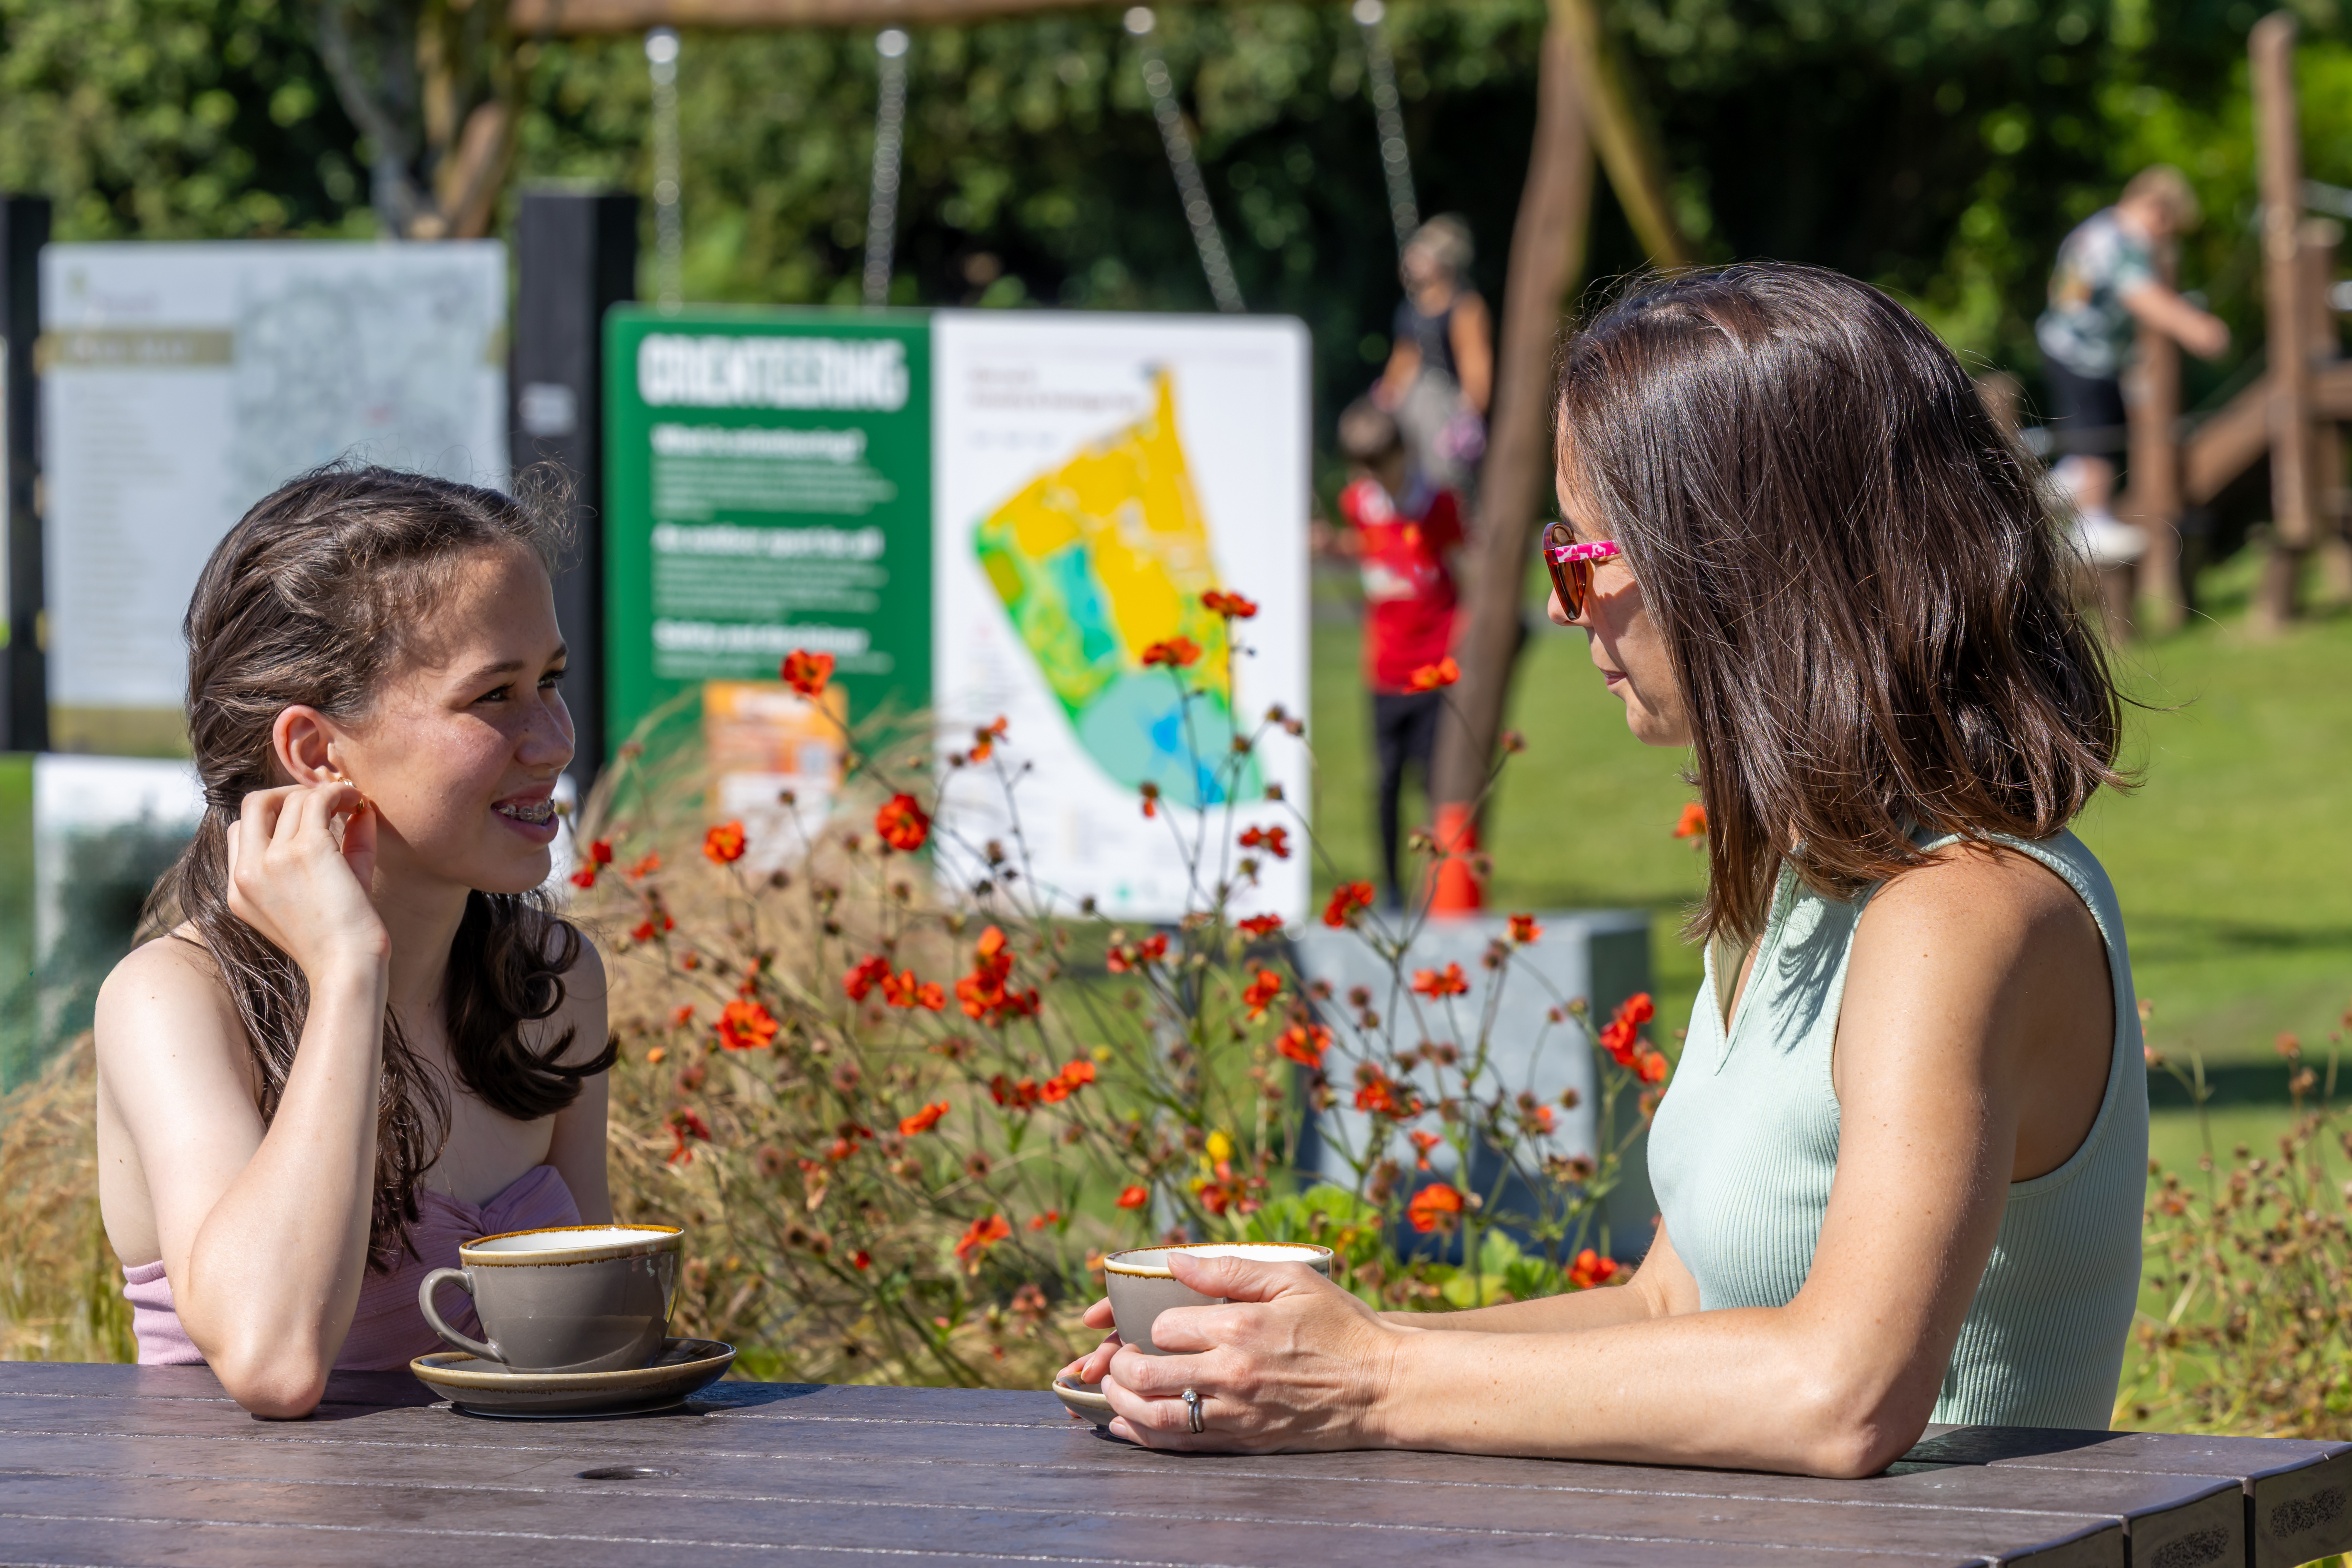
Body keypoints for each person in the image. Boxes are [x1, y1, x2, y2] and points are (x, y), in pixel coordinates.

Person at [1065, 264, 2146, 1475]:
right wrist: (1287, 1350)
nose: (1564, 603)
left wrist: (1370, 1376)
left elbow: (1841, 1391)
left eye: (1585, 553)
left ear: (1742, 562)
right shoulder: (1808, 879)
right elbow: (1669, 1303)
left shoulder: (1962, 913)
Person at [94, 465, 612, 1419]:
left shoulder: (551, 982)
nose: (554, 738)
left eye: (549, 679)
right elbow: (274, 1361)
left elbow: (598, 1343)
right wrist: (346, 971)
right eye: (493, 695)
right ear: (316, 752)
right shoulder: (171, 999)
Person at [2036, 165, 2230, 565]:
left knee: (2094, 435)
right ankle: (2092, 525)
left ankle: (2063, 485)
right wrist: (2196, 328)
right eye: (2170, 227)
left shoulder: (2097, 230)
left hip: (2077, 350)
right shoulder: (2121, 240)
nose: (2167, 239)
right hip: (2082, 354)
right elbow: (2142, 296)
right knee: (2097, 440)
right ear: (2157, 209)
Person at [1330, 397, 1465, 910]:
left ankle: (1437, 886)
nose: (1375, 481)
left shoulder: (1438, 505)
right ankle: (1390, 887)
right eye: (1365, 472)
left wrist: (1463, 639)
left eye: (1381, 468)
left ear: (1403, 454)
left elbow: (1462, 571)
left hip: (1433, 667)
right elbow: (1368, 550)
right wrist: (1331, 546)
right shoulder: (1358, 505)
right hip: (1384, 669)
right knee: (1385, 782)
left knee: (1433, 781)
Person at [1376, 215, 1494, 490]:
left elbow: (1475, 363)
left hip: (1445, 409)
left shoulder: (1465, 306)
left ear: (1443, 262)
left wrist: (1469, 412)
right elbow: (1404, 358)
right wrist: (1387, 394)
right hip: (1411, 408)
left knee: (1443, 484)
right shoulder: (1410, 308)